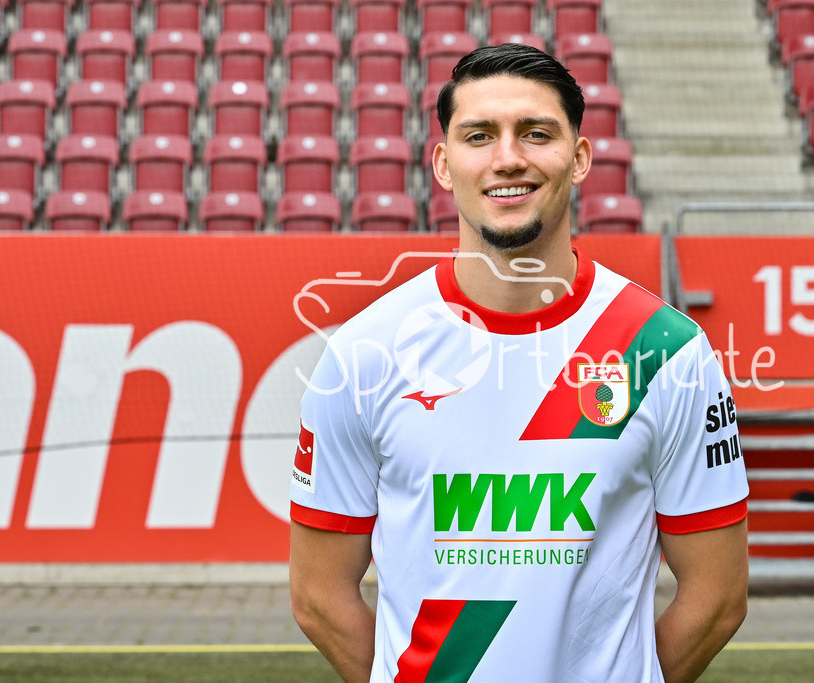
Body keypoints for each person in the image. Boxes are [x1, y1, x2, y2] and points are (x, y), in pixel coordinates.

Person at [289, 43, 749, 683]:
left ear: (580, 157)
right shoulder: (364, 353)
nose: (509, 158)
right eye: (480, 136)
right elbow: (318, 597)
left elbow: (718, 598)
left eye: (537, 134)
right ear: (444, 166)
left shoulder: (665, 351)